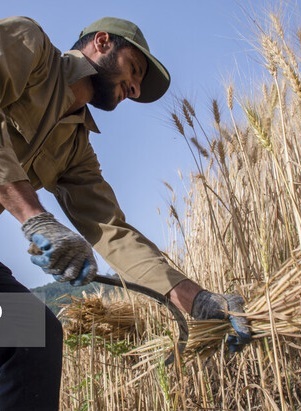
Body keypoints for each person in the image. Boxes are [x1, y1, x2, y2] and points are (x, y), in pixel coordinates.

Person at [0, 16, 251, 410]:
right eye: (134, 70)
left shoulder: (75, 151)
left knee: (33, 337)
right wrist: (36, 217)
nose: (134, 89)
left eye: (137, 85)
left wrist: (198, 299)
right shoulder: (29, 46)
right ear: (102, 42)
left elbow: (111, 231)